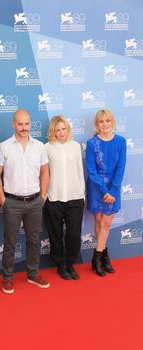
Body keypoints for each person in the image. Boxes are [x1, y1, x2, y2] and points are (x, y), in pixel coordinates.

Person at [0, 109, 50, 294]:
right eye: (20, 124)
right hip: (12, 202)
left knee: (34, 240)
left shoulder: (40, 146)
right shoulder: (4, 147)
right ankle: (8, 278)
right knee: (10, 242)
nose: (24, 127)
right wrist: (3, 199)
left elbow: (45, 172)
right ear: (13, 124)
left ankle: (33, 274)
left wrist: (43, 196)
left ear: (30, 124)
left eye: (27, 123)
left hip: (35, 201)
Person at [85, 109, 126, 277]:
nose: (105, 124)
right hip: (96, 188)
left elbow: (121, 167)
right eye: (101, 121)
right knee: (99, 221)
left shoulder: (121, 141)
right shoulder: (91, 143)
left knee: (106, 224)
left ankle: (97, 257)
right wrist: (103, 190)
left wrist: (113, 190)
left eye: (108, 120)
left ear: (113, 122)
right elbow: (91, 170)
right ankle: (104, 257)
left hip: (114, 189)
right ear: (97, 124)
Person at [44, 116, 85, 280]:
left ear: (68, 129)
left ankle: (70, 264)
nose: (61, 133)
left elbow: (79, 170)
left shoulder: (75, 146)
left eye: (64, 129)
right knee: (55, 234)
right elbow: (44, 174)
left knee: (74, 234)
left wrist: (82, 193)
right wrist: (45, 195)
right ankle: (60, 265)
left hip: (75, 197)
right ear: (53, 131)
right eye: (57, 130)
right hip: (54, 198)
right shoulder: (47, 148)